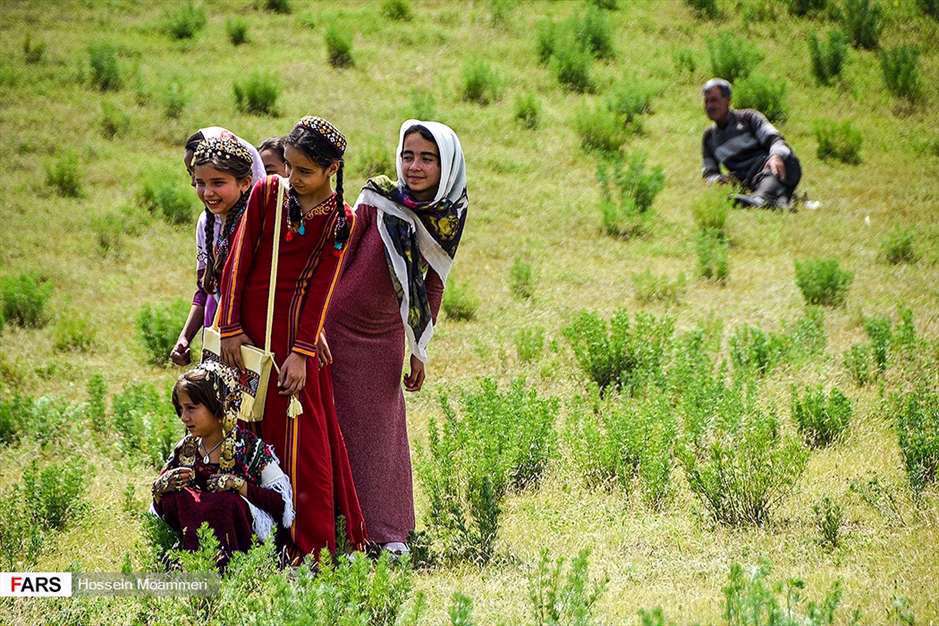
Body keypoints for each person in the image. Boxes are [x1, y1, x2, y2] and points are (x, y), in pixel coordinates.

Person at [216, 115, 366, 560]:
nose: (293, 178)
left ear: (332, 169)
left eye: (305, 171)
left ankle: (309, 548)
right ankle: (242, 540)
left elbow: (323, 287)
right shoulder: (267, 193)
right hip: (246, 334)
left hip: (294, 342)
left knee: (305, 443)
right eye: (289, 166)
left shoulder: (341, 219)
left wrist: (303, 350)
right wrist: (230, 327)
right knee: (241, 428)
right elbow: (239, 260)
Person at [324, 120, 468, 556]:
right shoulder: (378, 197)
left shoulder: (448, 214)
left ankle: (388, 531)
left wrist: (419, 350)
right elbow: (341, 256)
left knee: (382, 433)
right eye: (408, 156)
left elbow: (435, 282)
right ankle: (341, 529)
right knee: (337, 426)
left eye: (427, 158)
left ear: (447, 164)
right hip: (338, 328)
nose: (414, 166)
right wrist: (315, 324)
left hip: (386, 335)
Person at [152, 362, 294, 568]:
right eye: (181, 409)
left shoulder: (248, 447)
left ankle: (228, 567)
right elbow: (160, 505)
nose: (184, 417)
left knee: (226, 502)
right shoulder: (185, 449)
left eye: (191, 408)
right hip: (193, 551)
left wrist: (238, 485)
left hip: (243, 550)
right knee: (179, 496)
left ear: (218, 406)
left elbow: (281, 504)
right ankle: (188, 562)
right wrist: (162, 487)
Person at [171, 129, 266, 366]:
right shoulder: (207, 223)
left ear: (245, 182)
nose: (206, 190)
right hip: (217, 330)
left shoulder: (262, 223)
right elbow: (205, 288)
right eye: (198, 180)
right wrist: (185, 336)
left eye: (218, 182)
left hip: (255, 334)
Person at [700, 78, 802, 209]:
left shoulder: (748, 118)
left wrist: (776, 156)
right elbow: (709, 173)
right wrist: (719, 180)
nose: (709, 106)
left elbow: (776, 140)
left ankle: (762, 199)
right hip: (751, 182)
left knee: (785, 158)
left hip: (773, 168)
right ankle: (773, 201)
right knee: (772, 194)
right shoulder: (709, 137)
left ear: (728, 100)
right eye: (706, 101)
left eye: (714, 100)